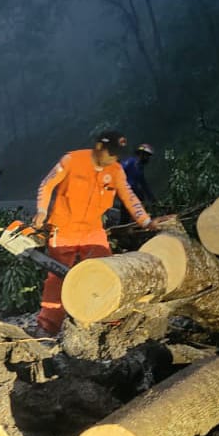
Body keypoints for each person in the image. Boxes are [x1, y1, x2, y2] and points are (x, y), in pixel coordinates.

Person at [32, 131, 157, 334]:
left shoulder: (116, 170)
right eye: (111, 154)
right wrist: (42, 211)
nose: (114, 159)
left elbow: (129, 196)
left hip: (92, 229)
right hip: (64, 228)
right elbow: (47, 185)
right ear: (99, 147)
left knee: (107, 271)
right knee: (58, 275)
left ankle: (109, 318)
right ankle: (47, 324)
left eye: (118, 155)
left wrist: (146, 221)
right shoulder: (72, 160)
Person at [107, 143, 157, 226]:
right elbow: (118, 170)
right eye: (146, 155)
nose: (147, 158)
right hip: (124, 192)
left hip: (131, 194)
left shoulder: (140, 169)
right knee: (126, 213)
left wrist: (152, 199)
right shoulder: (130, 162)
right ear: (141, 154)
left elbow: (144, 185)